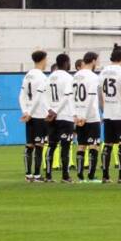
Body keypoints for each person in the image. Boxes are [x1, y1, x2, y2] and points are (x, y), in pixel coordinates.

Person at [99, 45, 121, 183]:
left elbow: (100, 94)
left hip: (108, 113)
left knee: (107, 144)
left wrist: (104, 109)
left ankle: (105, 176)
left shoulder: (103, 72)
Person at [45, 53, 76, 183]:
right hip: (65, 116)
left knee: (51, 145)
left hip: (52, 116)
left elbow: (43, 96)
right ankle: (65, 176)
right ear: (66, 63)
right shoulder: (68, 78)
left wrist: (50, 110)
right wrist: (56, 111)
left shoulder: (50, 77)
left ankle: (48, 176)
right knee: (65, 146)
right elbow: (67, 96)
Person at [19, 50, 49, 182]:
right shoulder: (42, 77)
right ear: (43, 60)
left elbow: (21, 95)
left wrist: (25, 111)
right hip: (39, 115)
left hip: (29, 115)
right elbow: (38, 98)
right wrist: (30, 113)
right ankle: (37, 175)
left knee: (29, 145)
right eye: (46, 59)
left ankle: (28, 174)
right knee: (39, 145)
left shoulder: (28, 75)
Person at [72, 51, 102, 183]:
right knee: (94, 145)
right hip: (91, 115)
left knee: (81, 145)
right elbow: (90, 96)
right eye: (98, 60)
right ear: (93, 61)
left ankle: (80, 175)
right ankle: (91, 175)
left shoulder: (76, 76)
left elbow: (72, 96)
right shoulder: (93, 77)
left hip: (78, 115)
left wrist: (75, 115)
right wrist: (84, 115)